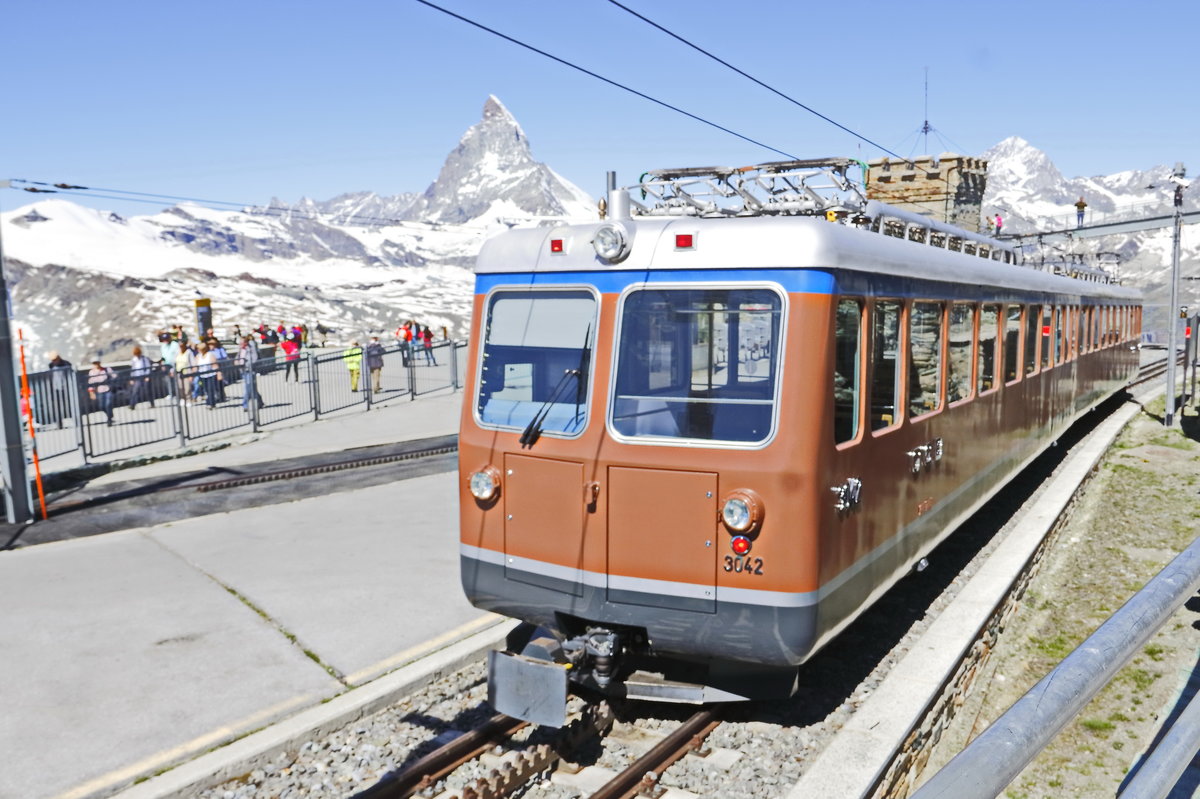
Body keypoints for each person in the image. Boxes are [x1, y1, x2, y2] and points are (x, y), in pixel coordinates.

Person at [47, 351, 74, 429]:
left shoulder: (66, 364)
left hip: (67, 387)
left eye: (55, 359)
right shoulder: (51, 365)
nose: (54, 361)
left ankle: (74, 420)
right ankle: (59, 424)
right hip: (56, 389)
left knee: (70, 404)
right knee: (57, 407)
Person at [87, 359, 117, 426]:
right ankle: (110, 415)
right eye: (94, 363)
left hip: (108, 389)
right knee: (102, 406)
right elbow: (90, 383)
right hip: (99, 391)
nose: (96, 364)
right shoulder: (91, 372)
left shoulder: (106, 369)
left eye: (96, 363)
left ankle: (109, 420)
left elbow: (114, 376)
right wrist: (91, 393)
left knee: (108, 404)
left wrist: (111, 381)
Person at [237, 336, 264, 411]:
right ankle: (260, 401)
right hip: (243, 371)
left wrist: (247, 364)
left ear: (246, 342)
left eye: (242, 343)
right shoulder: (241, 349)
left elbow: (255, 359)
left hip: (250, 370)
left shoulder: (251, 348)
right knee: (253, 388)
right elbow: (238, 357)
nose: (240, 344)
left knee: (248, 388)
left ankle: (245, 404)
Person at [195, 341, 223, 409]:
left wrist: (218, 374)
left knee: (210, 389)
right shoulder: (198, 356)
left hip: (211, 375)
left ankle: (211, 403)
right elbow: (195, 366)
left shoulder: (210, 355)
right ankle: (210, 402)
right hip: (202, 375)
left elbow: (215, 365)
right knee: (206, 390)